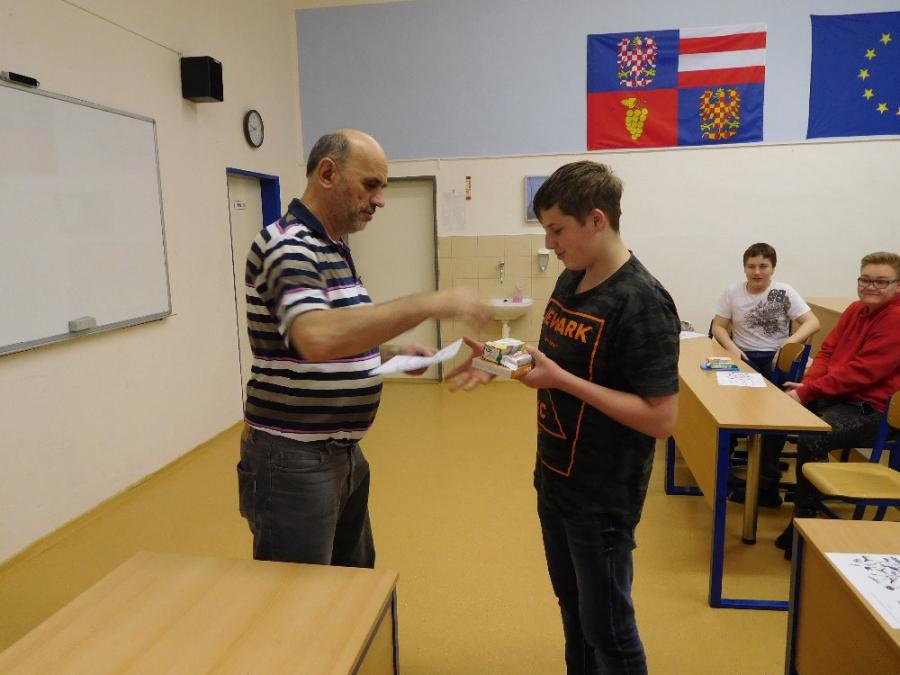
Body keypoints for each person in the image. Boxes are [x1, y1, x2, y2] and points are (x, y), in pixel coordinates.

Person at [449, 161, 680, 674]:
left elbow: (661, 419)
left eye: (557, 230)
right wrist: (496, 360)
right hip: (555, 480)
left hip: (601, 497)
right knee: (574, 612)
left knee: (610, 632)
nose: (549, 243)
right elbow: (551, 358)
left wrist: (563, 382)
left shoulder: (641, 301)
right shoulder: (572, 277)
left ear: (597, 220)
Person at [237, 129, 491, 568]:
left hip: (342, 453)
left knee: (352, 587)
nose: (379, 200)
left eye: (382, 188)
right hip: (294, 459)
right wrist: (428, 304)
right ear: (327, 173)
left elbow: (331, 336)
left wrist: (389, 355)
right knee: (298, 595)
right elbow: (316, 337)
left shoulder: (334, 248)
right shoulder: (288, 245)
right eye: (370, 185)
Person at [775, 251, 900, 559]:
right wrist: (809, 387)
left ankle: (804, 522)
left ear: (898, 285)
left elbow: (862, 372)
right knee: (777, 413)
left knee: (814, 435)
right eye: (865, 279)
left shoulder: (896, 319)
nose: (870, 286)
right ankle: (764, 486)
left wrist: (809, 392)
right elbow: (827, 352)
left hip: (873, 411)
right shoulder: (856, 310)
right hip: (840, 396)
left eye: (881, 281)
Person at [711, 243, 820, 507]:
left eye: (763, 266)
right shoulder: (732, 292)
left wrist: (788, 344)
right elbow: (719, 326)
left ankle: (765, 484)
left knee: (773, 418)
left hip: (775, 360)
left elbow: (812, 322)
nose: (757, 272)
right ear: (744, 268)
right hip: (743, 357)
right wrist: (732, 348)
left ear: (773, 268)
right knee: (726, 409)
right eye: (751, 266)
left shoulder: (784, 291)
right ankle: (724, 471)